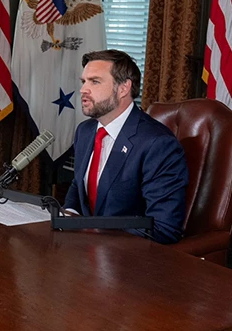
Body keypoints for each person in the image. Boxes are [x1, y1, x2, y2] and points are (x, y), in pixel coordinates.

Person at [63, 49, 188, 244]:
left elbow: (164, 228)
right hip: (83, 250)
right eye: (83, 81)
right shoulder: (85, 131)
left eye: (94, 82)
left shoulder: (158, 144)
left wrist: (94, 235)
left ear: (123, 88)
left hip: (127, 259)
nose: (83, 90)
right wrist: (67, 217)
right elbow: (78, 185)